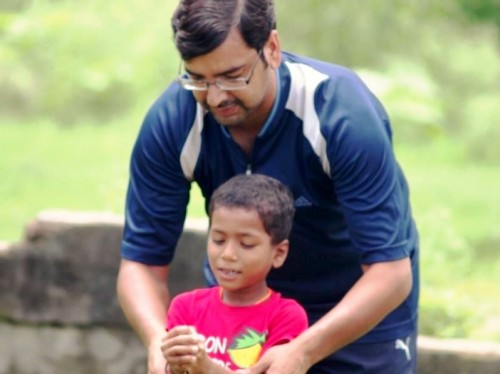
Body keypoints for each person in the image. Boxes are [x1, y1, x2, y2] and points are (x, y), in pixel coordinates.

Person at [116, 0, 420, 373]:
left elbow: (390, 271)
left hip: (355, 306)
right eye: (198, 78)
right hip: (240, 307)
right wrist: (158, 342)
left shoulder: (339, 114)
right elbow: (142, 263)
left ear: (271, 49)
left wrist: (302, 350)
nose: (214, 98)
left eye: (232, 76)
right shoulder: (174, 122)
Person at [162, 174, 308, 374]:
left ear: (279, 253)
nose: (228, 254)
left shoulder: (287, 317)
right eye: (218, 240)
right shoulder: (186, 307)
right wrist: (174, 363)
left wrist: (206, 368)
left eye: (246, 244)